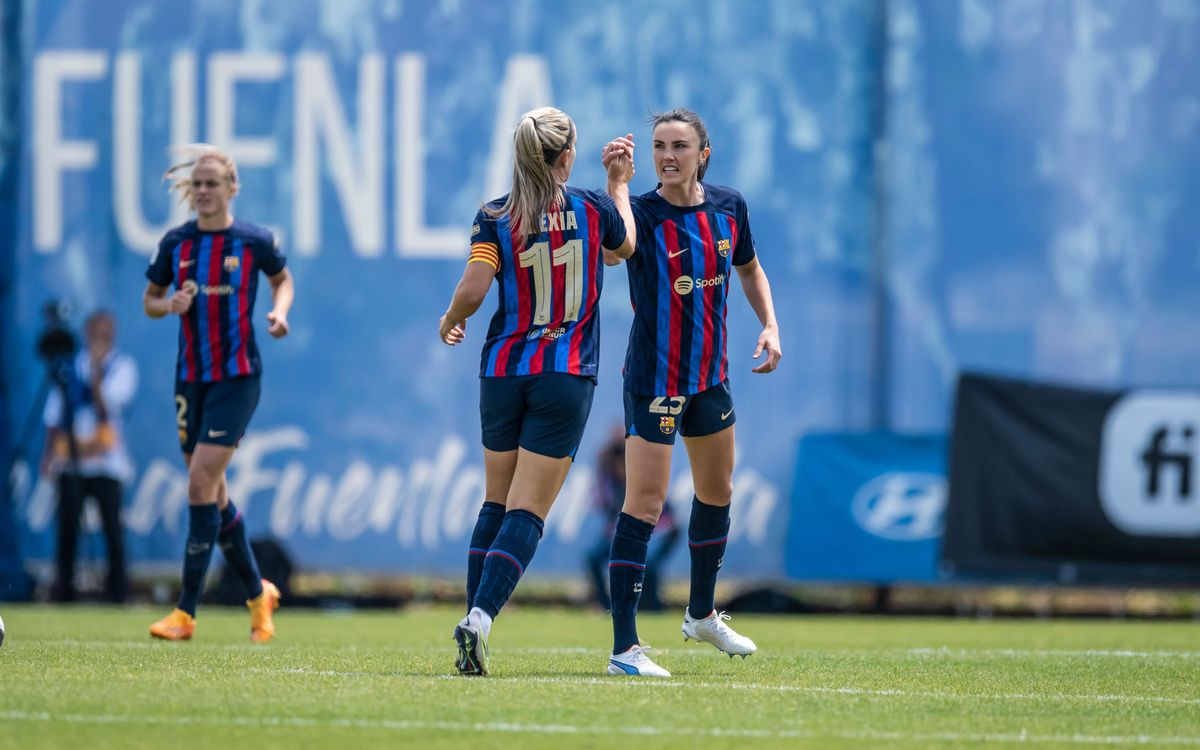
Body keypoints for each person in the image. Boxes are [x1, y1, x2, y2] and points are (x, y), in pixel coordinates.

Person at [440, 106, 636, 676]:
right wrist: (619, 184)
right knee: (527, 510)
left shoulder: (495, 215)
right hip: (564, 374)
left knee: (495, 503)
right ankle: (479, 619)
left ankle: (471, 625)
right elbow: (624, 247)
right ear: (567, 155)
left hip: (503, 371)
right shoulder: (593, 207)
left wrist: (450, 318)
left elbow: (474, 290)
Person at [600, 109, 782, 677]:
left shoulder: (729, 206)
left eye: (679, 146)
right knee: (645, 505)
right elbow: (614, 252)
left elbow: (750, 269)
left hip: (710, 377)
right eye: (659, 146)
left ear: (704, 154)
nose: (667, 155)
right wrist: (617, 186)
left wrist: (770, 325)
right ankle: (625, 649)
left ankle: (701, 614)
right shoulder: (640, 212)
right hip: (654, 380)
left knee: (718, 491)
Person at [142, 144, 294, 642]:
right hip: (191, 379)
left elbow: (283, 280)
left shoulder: (252, 240)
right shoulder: (176, 243)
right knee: (213, 492)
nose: (204, 191)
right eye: (198, 184)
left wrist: (280, 312)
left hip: (237, 378)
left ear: (232, 188)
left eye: (212, 183)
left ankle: (185, 612)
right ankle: (257, 594)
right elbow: (149, 301)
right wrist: (169, 304)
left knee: (200, 482)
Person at [40, 310, 138, 603]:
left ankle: (118, 593)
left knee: (112, 530)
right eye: (95, 330)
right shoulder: (69, 367)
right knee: (68, 529)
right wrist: (47, 456)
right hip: (71, 461)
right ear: (86, 333)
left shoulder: (122, 367)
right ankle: (64, 592)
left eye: (106, 331)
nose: (100, 337)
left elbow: (107, 409)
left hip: (107, 463)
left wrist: (95, 373)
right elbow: (54, 415)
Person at [583, 425, 680, 612]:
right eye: (618, 461)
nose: (621, 468)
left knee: (648, 565)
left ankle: (653, 608)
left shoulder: (646, 476)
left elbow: (666, 518)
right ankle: (607, 606)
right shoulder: (610, 484)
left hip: (658, 530)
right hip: (624, 531)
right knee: (594, 557)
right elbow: (606, 509)